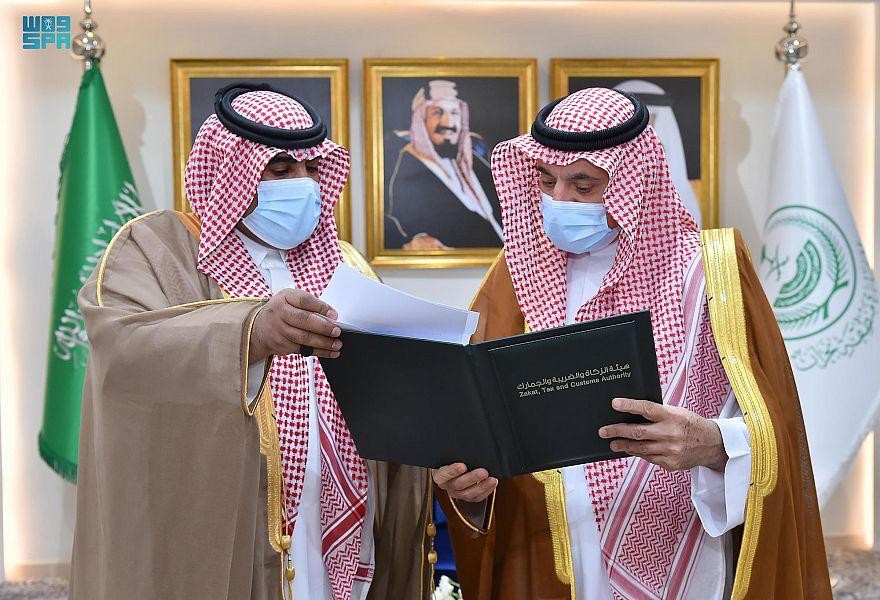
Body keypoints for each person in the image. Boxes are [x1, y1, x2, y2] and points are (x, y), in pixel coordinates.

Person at [434, 88, 831, 599]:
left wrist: (715, 444)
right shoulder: (513, 277)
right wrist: (468, 488)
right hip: (546, 553)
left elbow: (777, 429)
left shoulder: (711, 273)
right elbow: (476, 423)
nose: (560, 199)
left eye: (583, 184)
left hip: (681, 551)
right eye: (546, 180)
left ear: (633, 180)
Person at [70, 83, 433, 600]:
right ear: (228, 171)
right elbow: (124, 353)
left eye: (311, 169)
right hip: (220, 536)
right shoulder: (156, 249)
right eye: (280, 170)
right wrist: (248, 333)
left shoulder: (345, 265)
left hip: (337, 528)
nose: (303, 184)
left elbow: (388, 394)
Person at [386, 79, 502, 250]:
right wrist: (417, 239)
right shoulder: (405, 163)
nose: (448, 123)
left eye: (455, 113)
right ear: (421, 120)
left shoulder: (474, 161)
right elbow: (391, 221)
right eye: (437, 112)